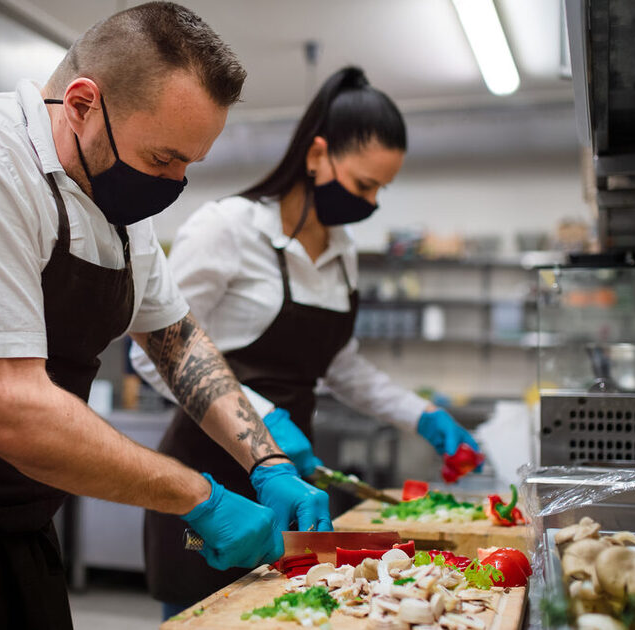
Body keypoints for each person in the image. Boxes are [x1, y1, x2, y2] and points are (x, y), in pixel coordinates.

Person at [0, 4, 330, 629]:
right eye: (161, 159)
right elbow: (6, 410)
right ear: (80, 104)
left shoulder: (117, 203)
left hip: (13, 519)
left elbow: (175, 340)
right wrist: (198, 496)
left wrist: (267, 461)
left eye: (188, 164)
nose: (174, 181)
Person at [132, 66, 482, 613]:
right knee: (203, 616)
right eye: (364, 184)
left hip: (290, 490)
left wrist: (424, 416)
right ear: (317, 155)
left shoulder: (342, 257)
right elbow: (153, 350)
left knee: (285, 616)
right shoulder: (229, 228)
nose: (370, 201)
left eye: (380, 190)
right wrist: (263, 418)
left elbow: (342, 366)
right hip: (210, 489)